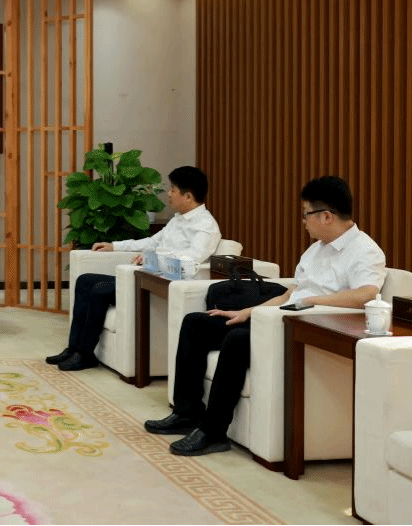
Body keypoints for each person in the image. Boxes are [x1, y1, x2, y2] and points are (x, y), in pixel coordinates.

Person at [145, 176, 386, 457]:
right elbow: (290, 294)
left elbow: (366, 294)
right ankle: (187, 413)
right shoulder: (316, 249)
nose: (303, 221)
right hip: (278, 318)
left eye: (306, 214)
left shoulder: (364, 250)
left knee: (237, 340)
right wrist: (249, 311)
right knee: (196, 323)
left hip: (302, 329)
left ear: (327, 216)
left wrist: (312, 301)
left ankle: (213, 432)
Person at [46, 166, 222, 372]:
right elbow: (151, 242)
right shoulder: (177, 220)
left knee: (99, 289)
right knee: (85, 280)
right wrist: (114, 246)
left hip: (159, 285)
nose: (168, 193)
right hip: (144, 276)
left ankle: (85, 354)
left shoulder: (205, 226)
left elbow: (190, 262)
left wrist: (154, 260)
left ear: (188, 196)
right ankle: (73, 348)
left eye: (173, 190)